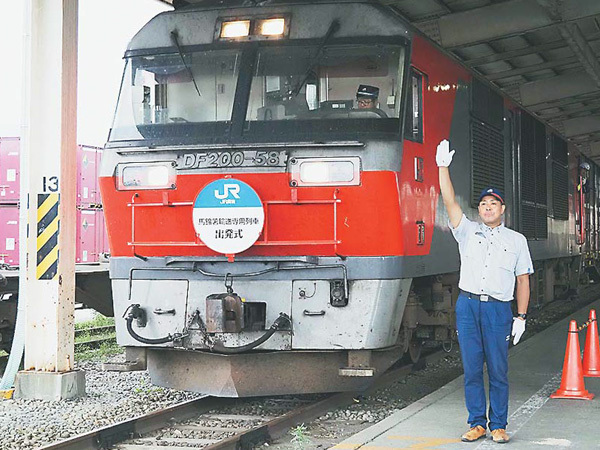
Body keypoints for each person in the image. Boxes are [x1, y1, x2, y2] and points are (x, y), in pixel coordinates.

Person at [436, 139, 533, 444]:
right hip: (468, 307)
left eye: (493, 204)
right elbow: (450, 201)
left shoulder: (517, 240)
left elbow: (522, 281)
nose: (488, 207)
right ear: (478, 210)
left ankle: (499, 425)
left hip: (497, 310)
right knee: (472, 368)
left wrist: (521, 316)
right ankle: (477, 423)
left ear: (502, 209)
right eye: (483, 204)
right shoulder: (466, 232)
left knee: (499, 369)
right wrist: (442, 167)